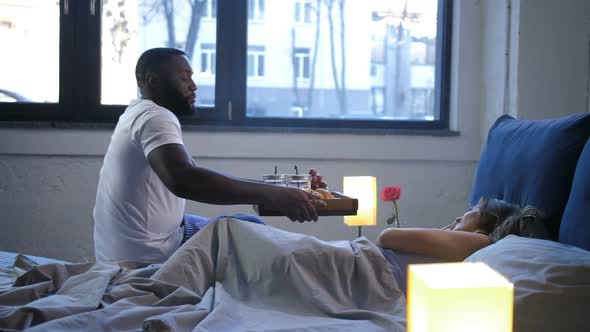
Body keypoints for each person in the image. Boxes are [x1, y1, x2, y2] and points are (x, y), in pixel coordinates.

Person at [93, 47, 325, 264]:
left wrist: (283, 192)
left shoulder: (136, 113)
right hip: (149, 259)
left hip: (146, 244)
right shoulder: (155, 117)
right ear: (153, 80)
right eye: (184, 78)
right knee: (254, 235)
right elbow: (186, 180)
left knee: (247, 227)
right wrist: (275, 195)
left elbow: (196, 175)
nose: (193, 86)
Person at [376, 197, 551, 262]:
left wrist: (449, 229)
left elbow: (387, 236)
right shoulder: (474, 242)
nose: (459, 218)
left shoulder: (482, 241)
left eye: (472, 211)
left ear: (487, 220)